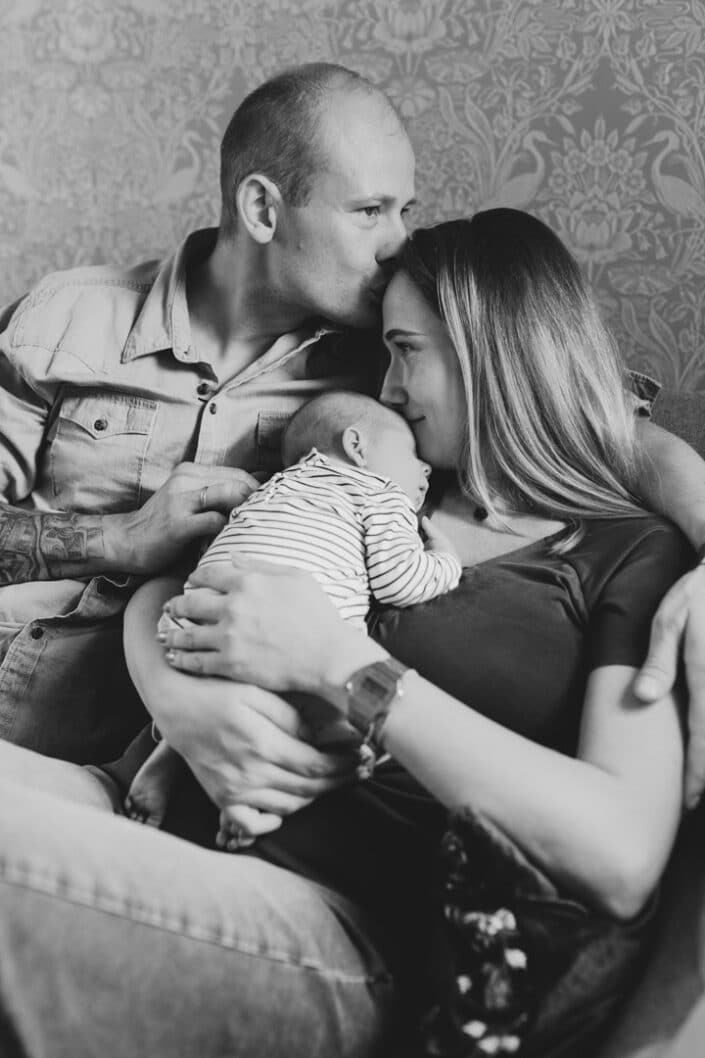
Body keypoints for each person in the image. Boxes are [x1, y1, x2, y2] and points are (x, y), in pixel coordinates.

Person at [0, 210, 694, 1058]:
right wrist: (175, 699)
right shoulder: (386, 479)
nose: (389, 389)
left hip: (332, 917)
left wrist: (344, 665)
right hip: (134, 794)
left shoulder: (626, 552)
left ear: (493, 353)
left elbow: (618, 855)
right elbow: (187, 576)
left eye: (408, 351)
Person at [1, 61, 705, 796]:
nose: (398, 241)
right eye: (369, 211)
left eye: (405, 209)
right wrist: (121, 539)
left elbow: (586, 418)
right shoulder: (66, 319)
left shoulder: (393, 363)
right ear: (263, 210)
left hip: (163, 767)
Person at [126, 390, 461, 845]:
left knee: (221, 696)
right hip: (280, 631)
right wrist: (444, 561)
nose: (424, 469)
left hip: (198, 617)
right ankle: (245, 807)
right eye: (411, 455)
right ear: (358, 447)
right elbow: (398, 580)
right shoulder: (377, 490)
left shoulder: (273, 488)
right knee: (330, 724)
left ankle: (169, 752)